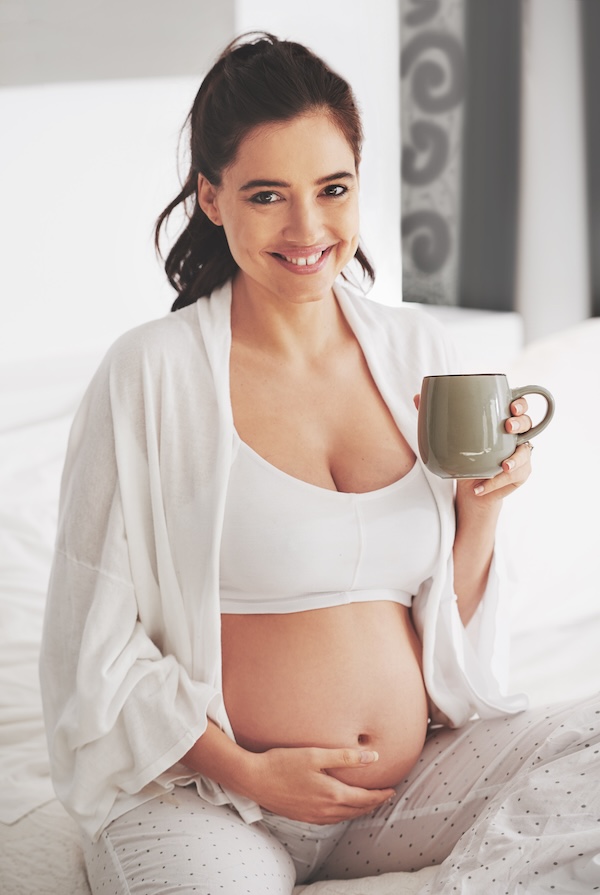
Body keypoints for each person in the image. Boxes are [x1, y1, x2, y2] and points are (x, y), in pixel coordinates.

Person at [40, 32, 600, 895]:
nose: (307, 229)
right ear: (212, 197)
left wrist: (479, 508)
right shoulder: (150, 373)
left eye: (332, 189)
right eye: (267, 195)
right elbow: (92, 642)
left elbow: (448, 643)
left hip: (399, 792)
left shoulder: (417, 348)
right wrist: (249, 771)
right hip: (214, 799)